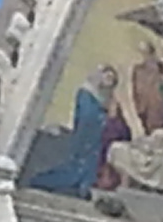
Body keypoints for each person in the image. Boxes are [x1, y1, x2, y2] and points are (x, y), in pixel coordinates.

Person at [27, 67, 129, 199]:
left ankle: (84, 188)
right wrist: (105, 119)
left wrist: (114, 119)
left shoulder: (110, 99)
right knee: (75, 168)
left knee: (91, 168)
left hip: (99, 143)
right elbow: (86, 116)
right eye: (107, 77)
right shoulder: (87, 93)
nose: (108, 82)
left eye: (112, 80)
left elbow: (121, 127)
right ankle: (42, 181)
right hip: (85, 138)